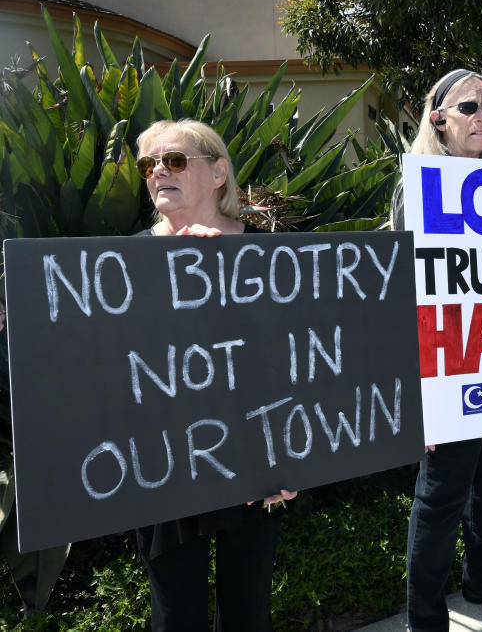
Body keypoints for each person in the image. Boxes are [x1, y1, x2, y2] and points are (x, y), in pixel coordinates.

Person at [133, 119, 297, 631]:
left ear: (219, 172)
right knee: (175, 616)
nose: (159, 171)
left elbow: (301, 358)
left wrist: (295, 457)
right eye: (149, 165)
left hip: (253, 458)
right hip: (164, 463)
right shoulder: (122, 262)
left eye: (175, 160)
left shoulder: (268, 254)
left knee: (248, 611)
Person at [395, 69, 482, 631]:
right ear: (439, 120)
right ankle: (425, 617)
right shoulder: (418, 185)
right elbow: (409, 283)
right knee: (441, 494)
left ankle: (481, 578)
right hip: (447, 364)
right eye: (468, 106)